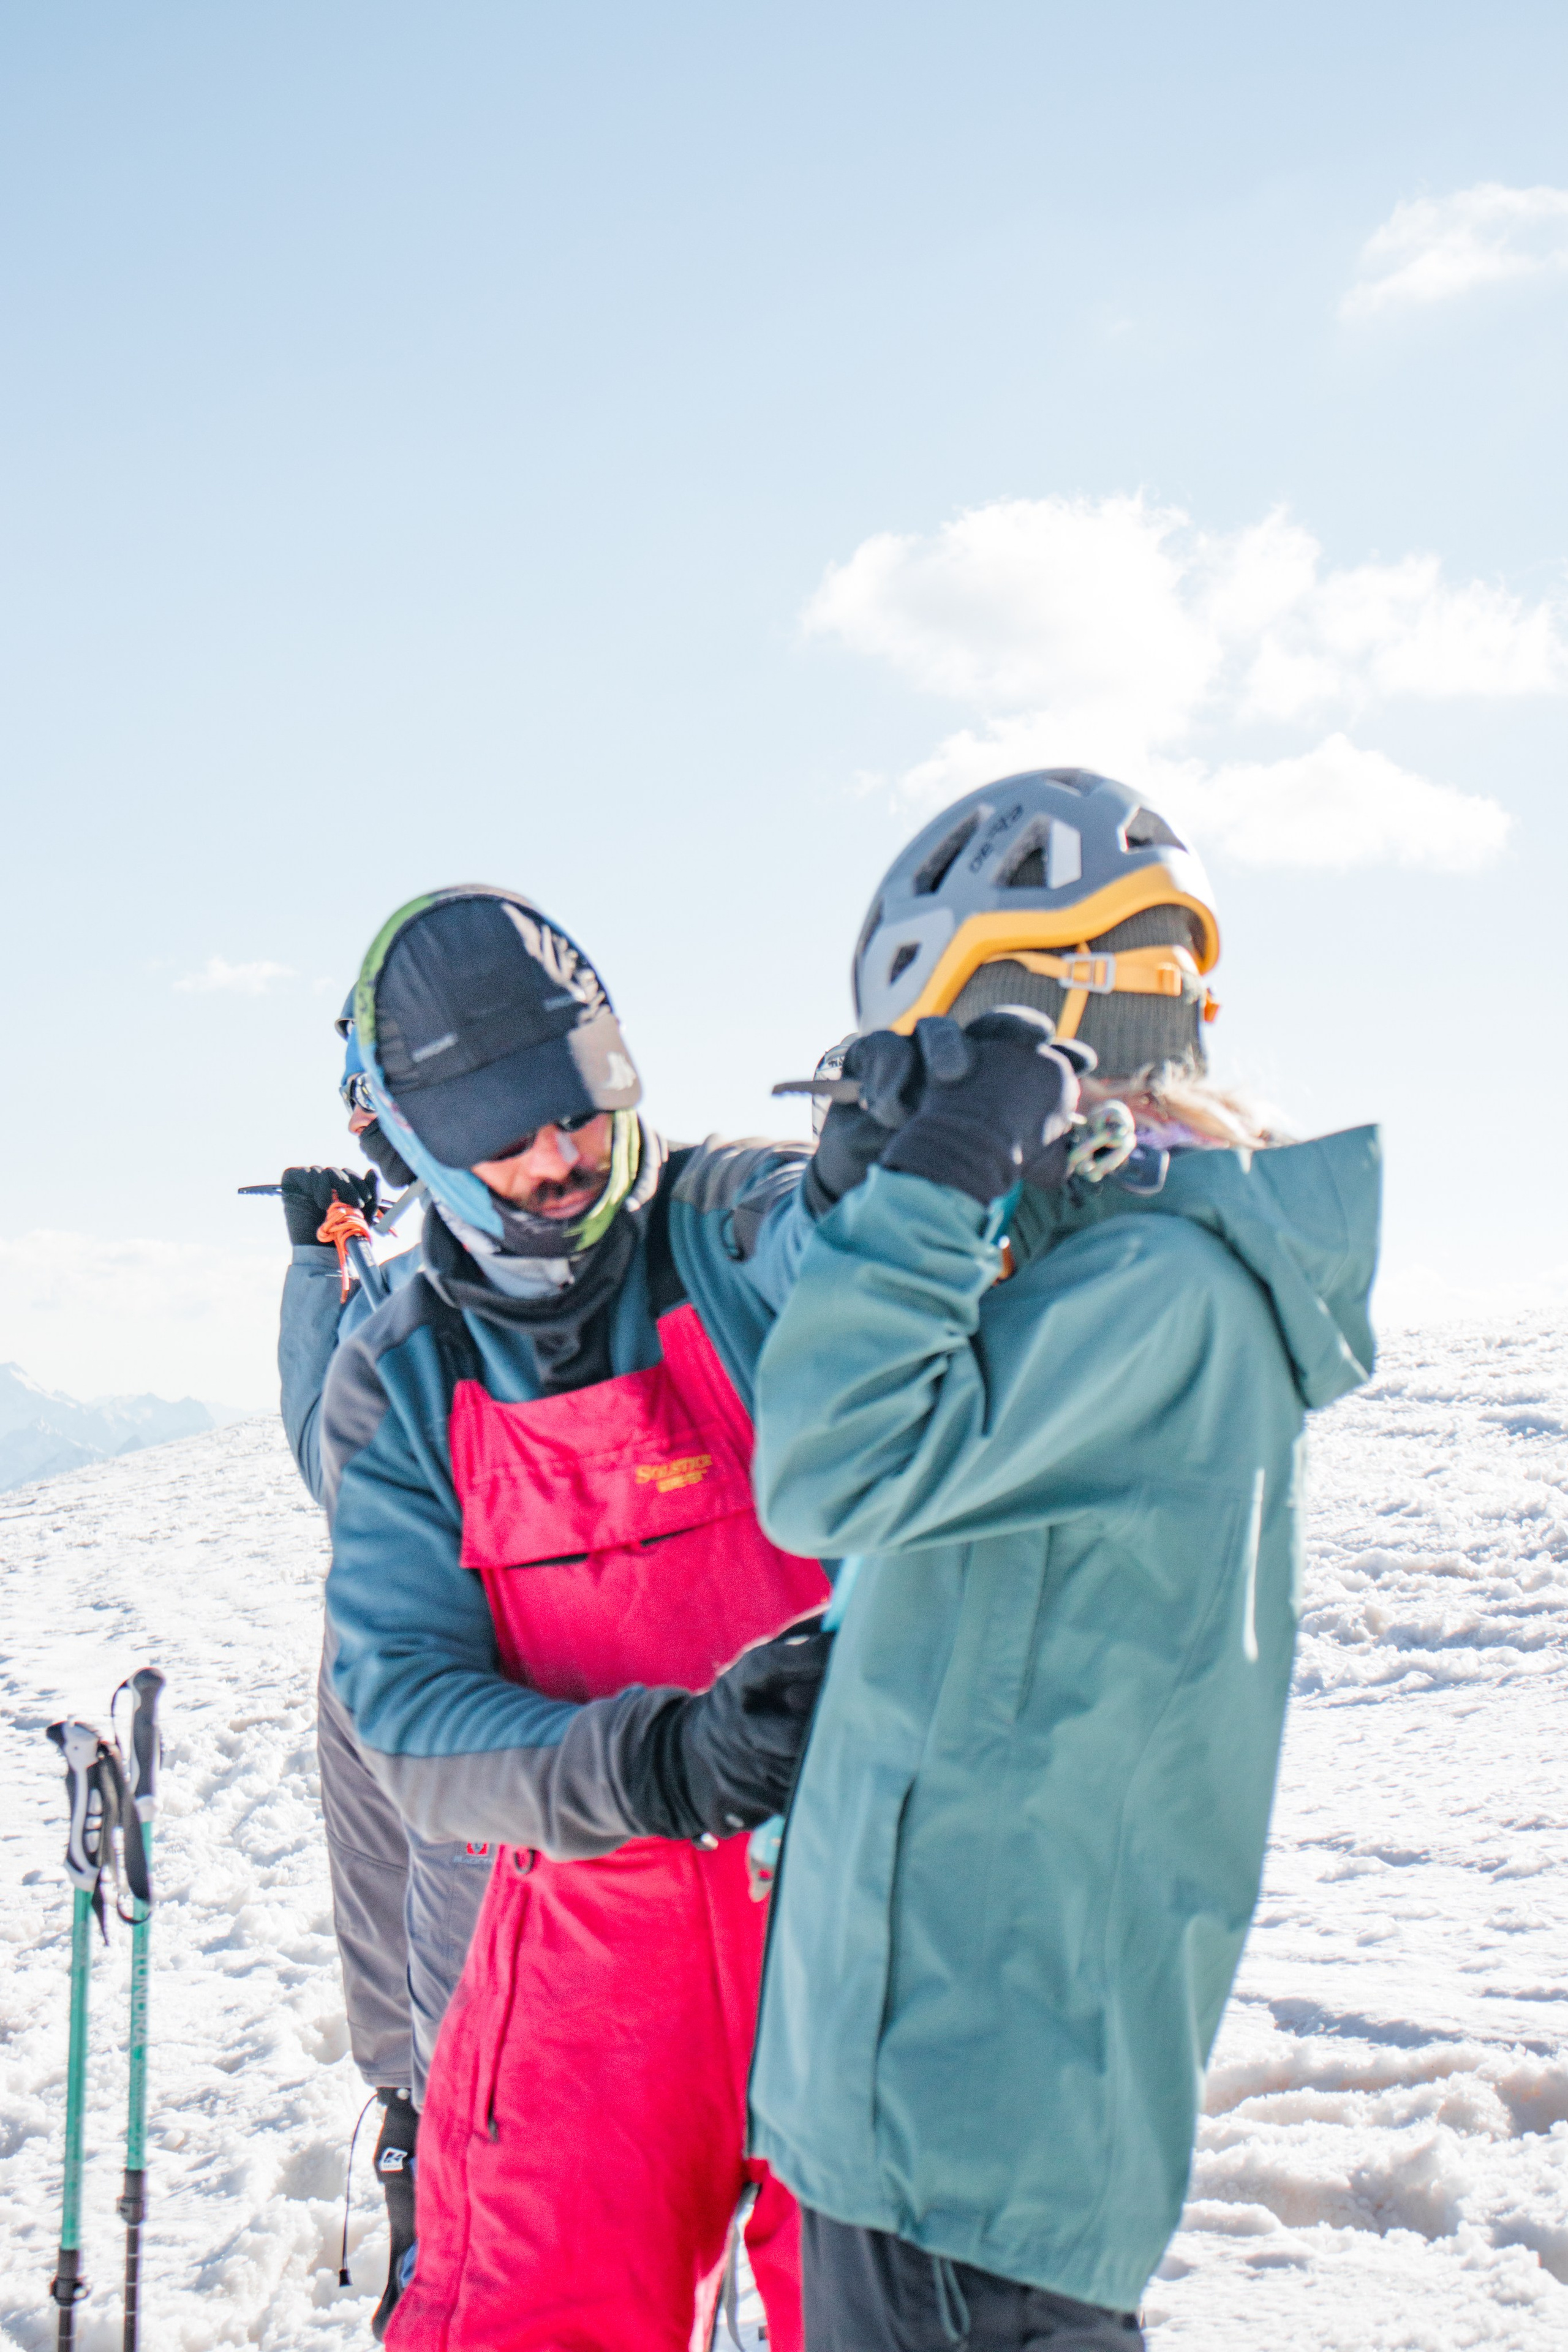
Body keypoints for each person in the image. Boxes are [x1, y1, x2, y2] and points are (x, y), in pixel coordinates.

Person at [747, 768, 1382, 2351]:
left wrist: (944, 1174)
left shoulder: (1155, 1299)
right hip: (920, 2122)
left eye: (943, 1067)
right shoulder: (1094, 1278)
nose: (918, 1111)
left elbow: (824, 1462)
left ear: (1033, 1038)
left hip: (967, 2150)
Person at [319, 885, 845, 2352]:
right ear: (418, 1143)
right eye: (505, 1130)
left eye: (581, 1110)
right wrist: (657, 1766)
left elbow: (827, 1240)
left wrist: (887, 1177)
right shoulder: (404, 1377)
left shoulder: (725, 1223)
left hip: (853, 1916)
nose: (559, 1157)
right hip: (583, 1964)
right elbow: (408, 1722)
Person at [274, 999, 478, 2342]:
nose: (362, 1122)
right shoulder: (403, 1233)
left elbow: (331, 1456)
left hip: (472, 1675)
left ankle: (469, 2246)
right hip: (371, 1654)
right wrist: (316, 1263)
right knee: (393, 1972)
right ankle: (421, 2219)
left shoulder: (487, 1232)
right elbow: (326, 1448)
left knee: (464, 1996)